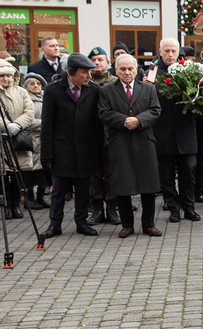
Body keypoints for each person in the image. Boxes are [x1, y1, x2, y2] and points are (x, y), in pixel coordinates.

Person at [40, 53, 104, 237]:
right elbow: (47, 125)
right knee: (58, 190)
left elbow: (97, 124)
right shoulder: (53, 90)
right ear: (72, 72)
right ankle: (55, 225)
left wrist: (98, 151)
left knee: (83, 190)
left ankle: (81, 222)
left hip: (86, 149)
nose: (89, 76)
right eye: (85, 72)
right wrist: (47, 154)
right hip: (62, 150)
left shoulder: (93, 90)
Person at [99, 53, 162, 238]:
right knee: (123, 184)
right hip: (120, 141)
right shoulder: (107, 90)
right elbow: (103, 113)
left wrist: (139, 120)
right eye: (123, 69)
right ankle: (127, 225)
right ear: (116, 71)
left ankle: (148, 225)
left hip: (144, 141)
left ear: (136, 70)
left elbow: (155, 110)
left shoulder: (148, 89)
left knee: (148, 184)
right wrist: (124, 120)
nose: (127, 72)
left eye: (130, 69)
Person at [149, 37, 200, 223]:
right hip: (162, 129)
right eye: (166, 51)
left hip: (185, 128)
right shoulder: (153, 70)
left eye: (173, 51)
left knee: (188, 170)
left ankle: (189, 206)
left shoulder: (189, 69)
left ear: (179, 52)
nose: (170, 54)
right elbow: (147, 94)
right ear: (160, 51)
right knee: (166, 173)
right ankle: (173, 207)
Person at [0, 58, 34, 220]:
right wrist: (6, 126)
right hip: (1, 139)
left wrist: (18, 125)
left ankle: (16, 204)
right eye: (1, 76)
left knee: (17, 175)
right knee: (3, 175)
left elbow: (29, 112)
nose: (5, 79)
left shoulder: (21, 92)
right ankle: (6, 205)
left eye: (8, 75)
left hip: (19, 138)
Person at [86, 46, 120, 226]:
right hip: (92, 136)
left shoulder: (115, 82)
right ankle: (97, 209)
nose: (97, 63)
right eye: (93, 60)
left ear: (108, 62)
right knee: (94, 174)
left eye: (100, 59)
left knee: (112, 172)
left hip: (112, 135)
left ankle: (113, 209)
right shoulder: (85, 82)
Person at [21, 73, 49, 211]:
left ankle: (40, 198)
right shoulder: (25, 99)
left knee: (44, 171)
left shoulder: (46, 97)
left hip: (45, 140)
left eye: (38, 83)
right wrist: (45, 124)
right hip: (31, 140)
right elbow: (27, 120)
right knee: (31, 172)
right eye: (32, 83)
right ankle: (29, 198)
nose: (36, 86)